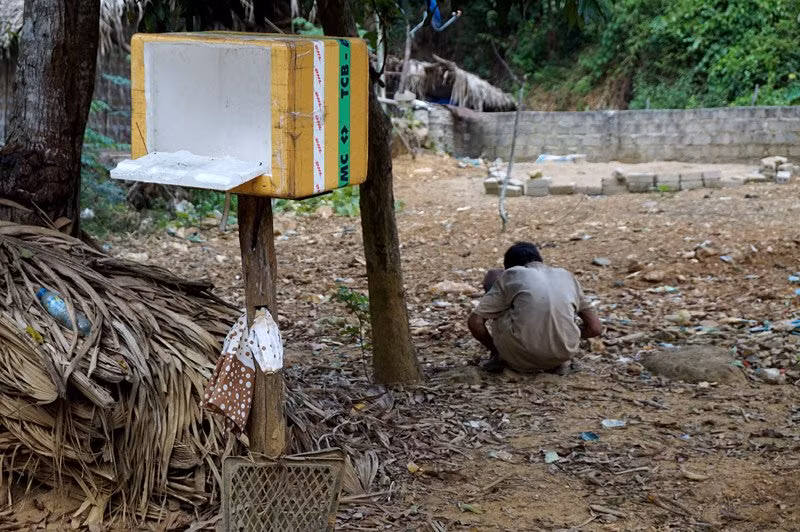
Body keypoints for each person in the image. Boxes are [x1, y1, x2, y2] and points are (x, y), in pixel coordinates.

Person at [467, 241, 603, 374]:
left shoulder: (512, 274)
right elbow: (595, 328)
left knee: (493, 279)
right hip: (562, 354)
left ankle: (499, 358)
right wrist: (565, 335)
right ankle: (561, 362)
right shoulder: (566, 276)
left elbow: (475, 322)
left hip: (518, 357)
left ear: (509, 266)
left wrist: (495, 350)